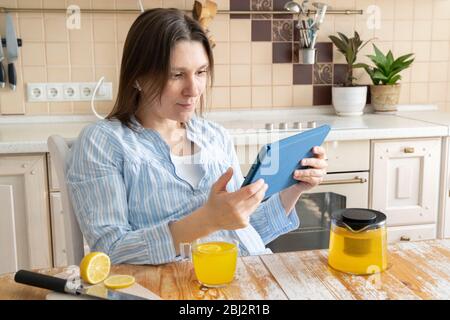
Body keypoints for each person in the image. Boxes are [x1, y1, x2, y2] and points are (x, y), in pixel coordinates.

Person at [67, 8, 328, 265]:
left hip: (247, 280)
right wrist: (208, 220)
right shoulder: (103, 143)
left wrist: (293, 188)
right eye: (177, 75)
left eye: (201, 72)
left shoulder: (214, 135)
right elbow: (110, 252)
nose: (193, 90)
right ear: (137, 77)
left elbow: (246, 231)